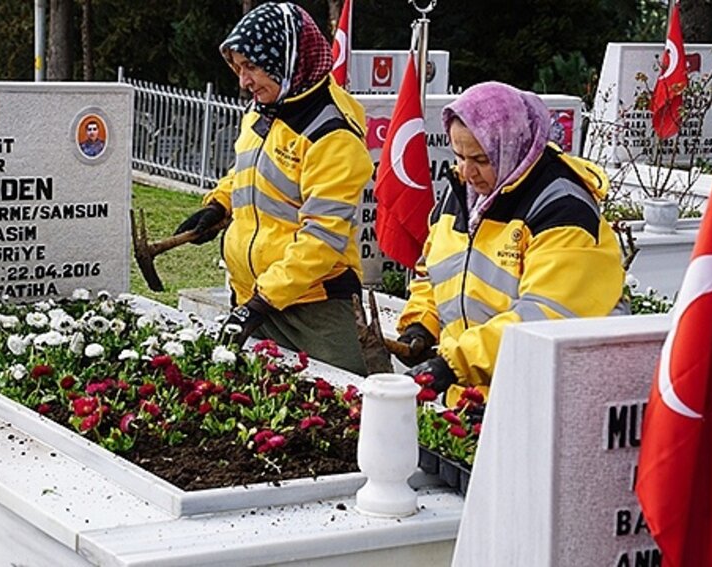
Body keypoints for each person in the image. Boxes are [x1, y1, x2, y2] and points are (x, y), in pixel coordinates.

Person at [397, 81, 626, 405]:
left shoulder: (563, 209)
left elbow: (545, 317)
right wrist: (421, 324)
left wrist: (453, 363)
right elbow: (433, 273)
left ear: (511, 146)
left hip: (541, 400)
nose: (466, 171)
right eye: (458, 155)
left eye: (480, 158)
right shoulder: (463, 191)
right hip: (472, 397)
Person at [175, 2, 373, 376]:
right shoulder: (261, 110)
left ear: (288, 60)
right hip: (254, 298)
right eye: (237, 68)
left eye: (251, 67)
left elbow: (322, 239)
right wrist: (218, 204)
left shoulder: (332, 136)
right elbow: (246, 173)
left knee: (344, 410)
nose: (243, 81)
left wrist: (262, 301)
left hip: (314, 309)